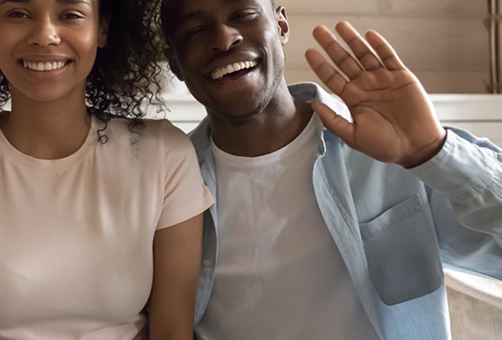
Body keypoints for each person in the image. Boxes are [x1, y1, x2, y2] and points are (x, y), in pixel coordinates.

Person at [0, 0, 213, 338]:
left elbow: (171, 332)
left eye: (71, 14)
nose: (45, 35)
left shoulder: (163, 155)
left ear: (102, 27)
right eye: (18, 13)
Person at [159, 0, 502, 339]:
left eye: (243, 14)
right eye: (195, 30)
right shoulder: (166, 184)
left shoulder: (393, 148)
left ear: (280, 26)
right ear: (174, 63)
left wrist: (434, 151)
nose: (223, 38)